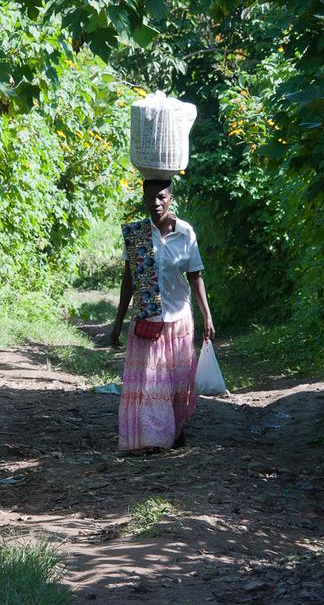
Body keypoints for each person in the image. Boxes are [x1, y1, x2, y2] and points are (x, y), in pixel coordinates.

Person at [110, 179, 215, 452]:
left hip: (179, 320)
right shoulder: (137, 235)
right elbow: (128, 280)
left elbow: (195, 276)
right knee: (150, 384)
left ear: (171, 198)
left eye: (161, 197)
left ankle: (175, 431)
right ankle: (152, 439)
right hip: (147, 320)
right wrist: (118, 323)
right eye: (149, 198)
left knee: (178, 385)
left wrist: (208, 316)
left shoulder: (185, 233)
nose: (155, 203)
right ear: (143, 200)